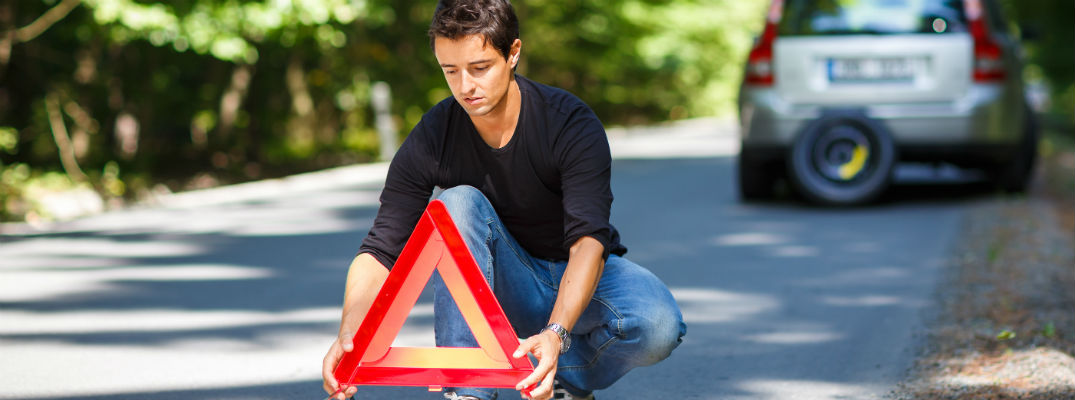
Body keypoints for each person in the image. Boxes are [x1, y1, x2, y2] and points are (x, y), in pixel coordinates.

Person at [321, 1, 686, 399]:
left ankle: (555, 374)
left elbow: (589, 242)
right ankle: (468, 390)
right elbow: (381, 247)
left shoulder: (568, 122)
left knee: (657, 325)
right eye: (450, 71)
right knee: (456, 203)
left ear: (513, 53)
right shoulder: (435, 134)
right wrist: (350, 334)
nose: (465, 87)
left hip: (578, 275)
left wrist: (556, 333)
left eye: (479, 68)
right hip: (500, 287)